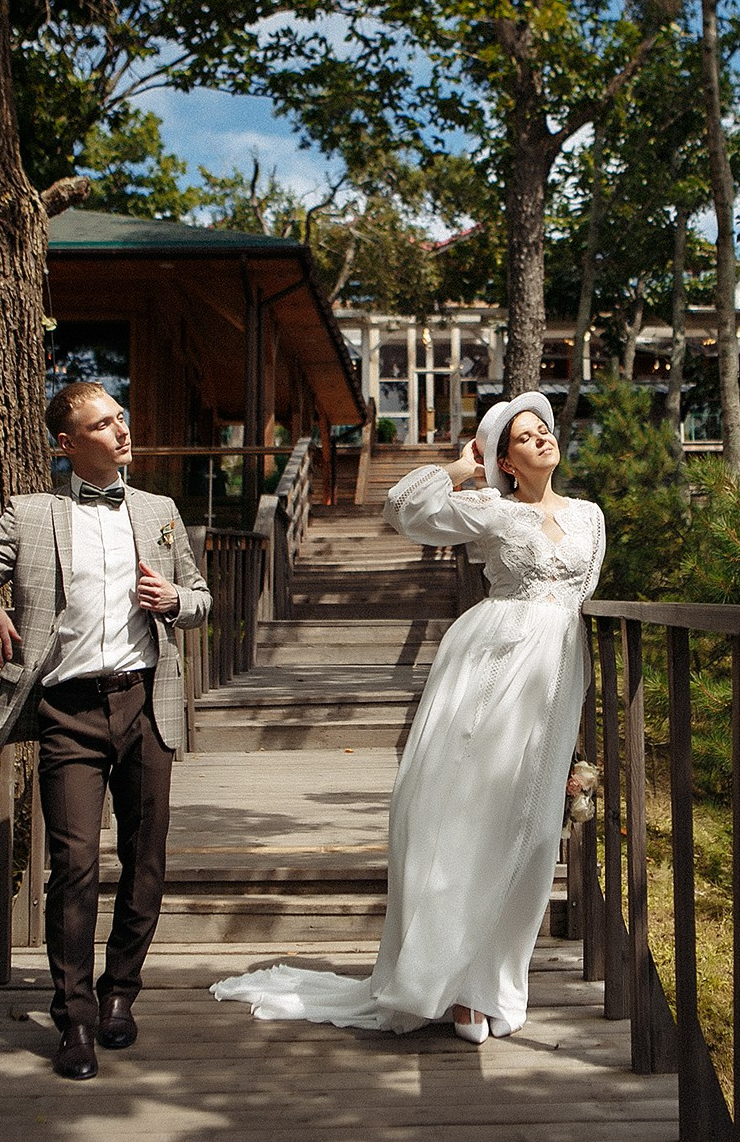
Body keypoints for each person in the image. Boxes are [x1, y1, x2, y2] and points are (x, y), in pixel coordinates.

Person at [213, 391, 605, 1045]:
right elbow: (404, 507)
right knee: (471, 815)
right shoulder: (491, 508)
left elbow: (580, 595)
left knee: (535, 831)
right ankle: (456, 990)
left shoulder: (589, 514)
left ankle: (492, 978)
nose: (542, 439)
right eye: (524, 436)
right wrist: (463, 465)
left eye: (545, 430)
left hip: (558, 669)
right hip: (490, 666)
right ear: (505, 457)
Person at [0, 381, 209, 1080]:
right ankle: (76, 1019)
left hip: (147, 702)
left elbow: (202, 595)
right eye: (101, 424)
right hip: (68, 710)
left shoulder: (159, 511)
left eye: (121, 416)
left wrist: (178, 599)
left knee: (146, 860)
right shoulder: (31, 514)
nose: (121, 430)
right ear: (68, 443)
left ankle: (122, 992)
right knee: (76, 866)